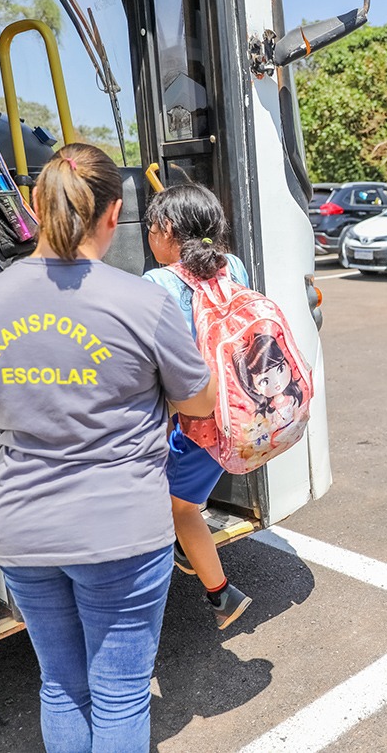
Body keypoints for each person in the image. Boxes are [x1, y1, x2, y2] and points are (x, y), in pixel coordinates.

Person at [0, 144, 218, 751]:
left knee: (60, 685)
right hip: (119, 525)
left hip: (21, 525)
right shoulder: (142, 302)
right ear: (114, 213)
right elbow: (200, 403)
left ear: (36, 203)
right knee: (120, 694)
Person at [142, 183, 255, 630]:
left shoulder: (158, 283)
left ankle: (221, 595)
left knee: (182, 509)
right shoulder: (234, 266)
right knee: (183, 495)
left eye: (151, 228)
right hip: (240, 411)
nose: (149, 237)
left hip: (199, 423)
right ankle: (186, 551)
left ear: (167, 229)